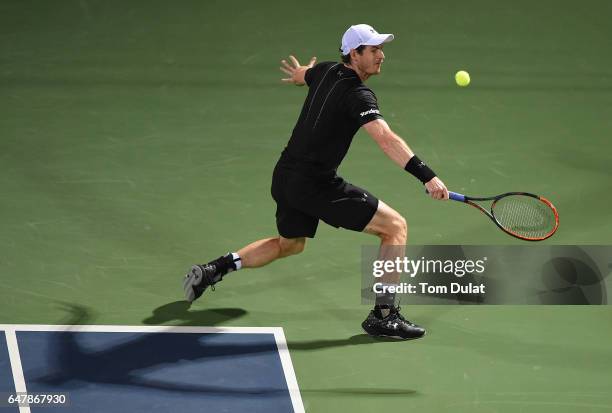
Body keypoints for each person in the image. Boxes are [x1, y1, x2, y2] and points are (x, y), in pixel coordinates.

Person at [183, 24, 449, 340]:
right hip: (314, 184)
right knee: (395, 228)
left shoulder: (325, 70)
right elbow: (385, 139)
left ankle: (215, 269)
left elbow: (305, 75)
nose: (382, 55)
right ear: (355, 53)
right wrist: (427, 176)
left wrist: (300, 73)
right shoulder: (358, 93)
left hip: (285, 176)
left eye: (381, 48)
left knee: (290, 245)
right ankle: (384, 315)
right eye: (374, 49)